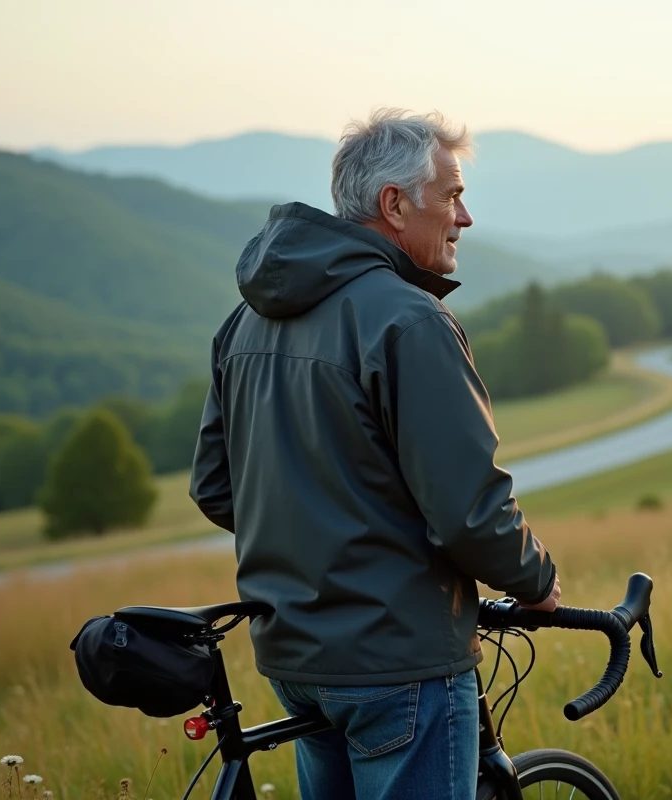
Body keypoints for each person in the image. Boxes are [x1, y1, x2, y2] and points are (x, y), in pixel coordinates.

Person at [189, 108, 560, 800]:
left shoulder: (244, 320)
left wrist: (317, 543)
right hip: (400, 662)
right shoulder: (410, 319)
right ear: (394, 204)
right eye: (451, 196)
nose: (465, 218)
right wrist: (536, 579)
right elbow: (468, 512)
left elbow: (216, 487)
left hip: (295, 658)